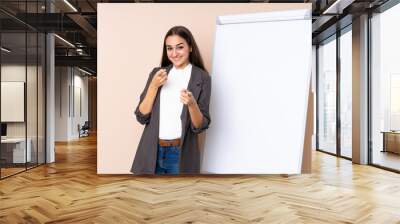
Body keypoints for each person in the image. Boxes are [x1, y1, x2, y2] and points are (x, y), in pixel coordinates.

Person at [130, 26, 212, 175]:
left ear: (190, 47)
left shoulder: (202, 78)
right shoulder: (157, 73)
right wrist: (154, 86)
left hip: (180, 153)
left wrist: (192, 104)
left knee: (180, 197)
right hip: (152, 150)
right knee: (150, 196)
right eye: (169, 48)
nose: (174, 54)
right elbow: (141, 116)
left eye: (179, 47)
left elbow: (200, 125)